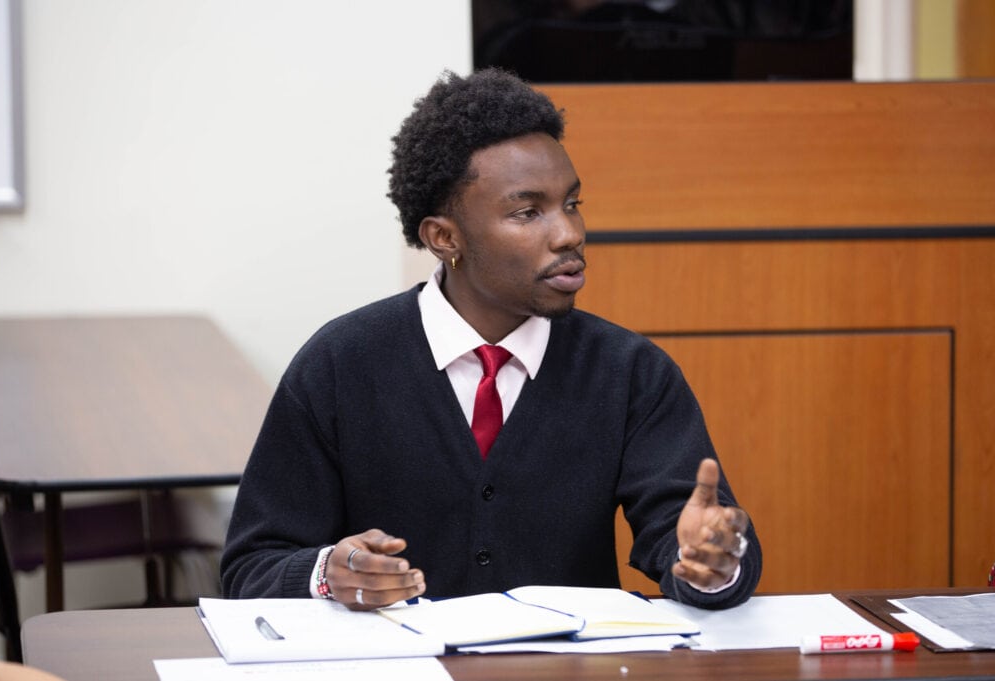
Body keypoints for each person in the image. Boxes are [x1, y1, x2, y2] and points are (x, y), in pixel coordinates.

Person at [220, 67, 761, 611]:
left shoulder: (630, 371)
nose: (569, 233)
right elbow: (252, 566)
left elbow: (690, 540)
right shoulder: (340, 364)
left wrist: (712, 562)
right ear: (444, 237)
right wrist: (327, 574)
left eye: (571, 203)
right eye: (528, 212)